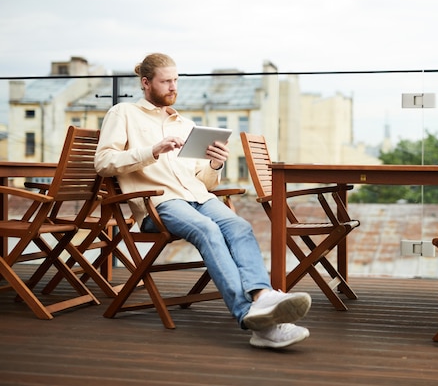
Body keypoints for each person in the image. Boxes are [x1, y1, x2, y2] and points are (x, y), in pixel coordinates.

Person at [95, 53, 311, 349]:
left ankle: (262, 298)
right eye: (166, 81)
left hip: (197, 196)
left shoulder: (184, 124)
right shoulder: (123, 114)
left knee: (239, 226)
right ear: (146, 83)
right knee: (208, 231)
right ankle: (248, 314)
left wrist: (214, 165)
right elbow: (104, 162)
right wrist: (152, 150)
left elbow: (203, 180)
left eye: (176, 81)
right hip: (159, 204)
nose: (173, 87)